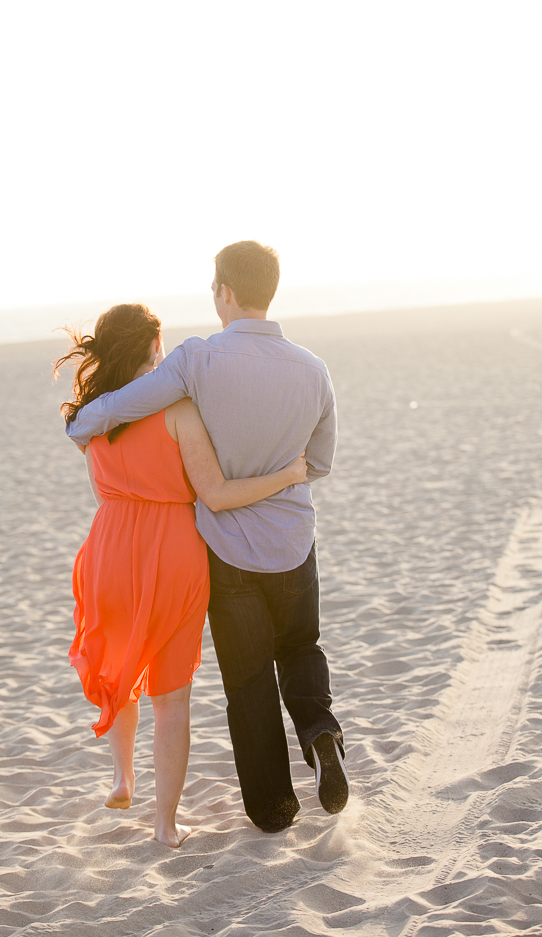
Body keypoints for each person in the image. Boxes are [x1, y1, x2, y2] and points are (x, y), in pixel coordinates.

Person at [66, 242, 349, 833]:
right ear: (270, 290)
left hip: (225, 549)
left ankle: (272, 809)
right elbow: (318, 463)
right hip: (293, 539)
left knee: (247, 680)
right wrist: (290, 472)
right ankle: (321, 734)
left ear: (223, 291)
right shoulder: (314, 369)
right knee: (300, 647)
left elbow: (122, 406)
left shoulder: (196, 361)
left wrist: (82, 418)